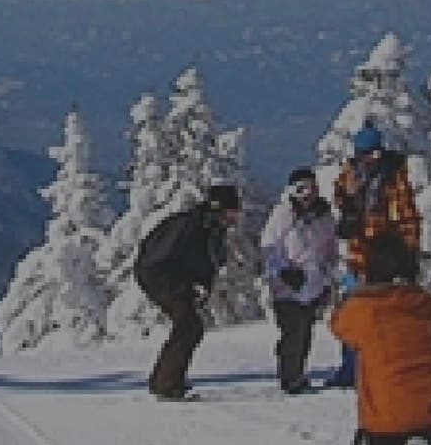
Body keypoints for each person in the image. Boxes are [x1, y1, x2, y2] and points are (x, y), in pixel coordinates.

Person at [327, 120, 424, 388]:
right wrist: (346, 212)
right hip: (358, 258)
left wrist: (408, 253)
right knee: (354, 311)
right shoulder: (350, 175)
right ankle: (352, 368)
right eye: (366, 154)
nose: (372, 159)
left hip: (386, 259)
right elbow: (339, 195)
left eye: (376, 154)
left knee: (386, 314)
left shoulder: (393, 177)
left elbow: (407, 217)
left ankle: (387, 366)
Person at [332, 233, 431, 445]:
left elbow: (338, 325)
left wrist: (354, 292)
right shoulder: (424, 303)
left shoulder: (363, 310)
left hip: (385, 423)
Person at [133, 183, 244, 401]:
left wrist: (201, 288)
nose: (235, 218)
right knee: (188, 326)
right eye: (232, 212)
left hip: (177, 281)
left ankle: (165, 381)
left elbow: (207, 264)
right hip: (157, 277)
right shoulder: (187, 225)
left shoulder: (212, 229)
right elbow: (159, 260)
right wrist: (183, 287)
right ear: (219, 209)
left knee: (189, 326)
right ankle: (166, 385)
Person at [261, 168, 337, 394]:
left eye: (311, 188)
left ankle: (298, 373)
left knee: (305, 331)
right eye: (301, 189)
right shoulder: (283, 215)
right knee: (292, 331)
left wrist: (327, 279)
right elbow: (269, 248)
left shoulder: (323, 217)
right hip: (287, 286)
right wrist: (282, 271)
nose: (307, 194)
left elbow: (330, 249)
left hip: (312, 284)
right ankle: (290, 375)